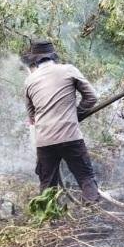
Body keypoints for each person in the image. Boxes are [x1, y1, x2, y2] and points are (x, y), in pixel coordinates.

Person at [22, 40, 100, 203]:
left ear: (35, 60)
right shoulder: (68, 70)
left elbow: (32, 118)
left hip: (44, 141)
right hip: (70, 136)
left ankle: (49, 221)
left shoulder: (29, 81)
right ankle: (93, 214)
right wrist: (75, 115)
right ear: (53, 56)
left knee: (48, 187)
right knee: (86, 178)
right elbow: (92, 98)